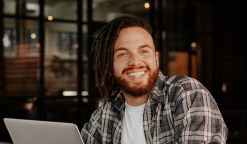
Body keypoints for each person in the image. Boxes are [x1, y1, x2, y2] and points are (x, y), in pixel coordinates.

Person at [81, 16, 228, 144]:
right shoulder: (107, 110)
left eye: (144, 51)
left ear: (156, 59)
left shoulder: (187, 94)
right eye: (123, 54)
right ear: (110, 65)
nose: (135, 61)